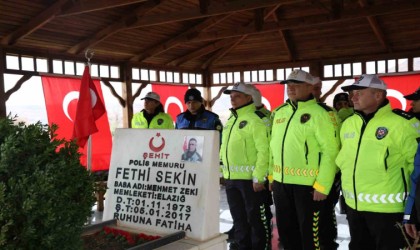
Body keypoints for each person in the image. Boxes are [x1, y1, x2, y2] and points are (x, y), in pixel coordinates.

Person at [336, 74, 419, 250]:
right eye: (352, 93)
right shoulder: (348, 124)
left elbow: (417, 170)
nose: (353, 97)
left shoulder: (403, 124)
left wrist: (413, 211)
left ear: (378, 95)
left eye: (359, 92)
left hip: (389, 212)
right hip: (354, 209)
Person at [269, 69, 340, 250]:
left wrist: (323, 185)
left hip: (308, 186)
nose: (290, 88)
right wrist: (272, 176)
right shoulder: (280, 112)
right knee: (286, 232)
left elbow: (330, 152)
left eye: (296, 84)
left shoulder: (320, 113)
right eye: (288, 84)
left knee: (310, 236)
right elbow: (273, 147)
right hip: (281, 184)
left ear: (310, 87)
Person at [220, 82, 271, 250]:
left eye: (237, 96)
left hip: (250, 181)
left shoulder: (256, 120)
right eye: (231, 96)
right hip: (231, 180)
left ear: (249, 98)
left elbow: (264, 151)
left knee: (255, 221)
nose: (233, 99)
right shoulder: (232, 119)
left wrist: (259, 177)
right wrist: (222, 172)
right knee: (239, 220)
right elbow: (225, 149)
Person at [312, 77, 342, 250]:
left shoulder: (328, 113)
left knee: (325, 214)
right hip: (304, 177)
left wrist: (325, 181)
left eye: (318, 88)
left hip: (327, 175)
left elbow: (332, 150)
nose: (317, 92)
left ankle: (328, 243)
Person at [402, 87, 420, 240]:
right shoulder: (410, 122)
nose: (412, 103)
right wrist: (409, 215)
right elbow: (415, 177)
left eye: (416, 99)